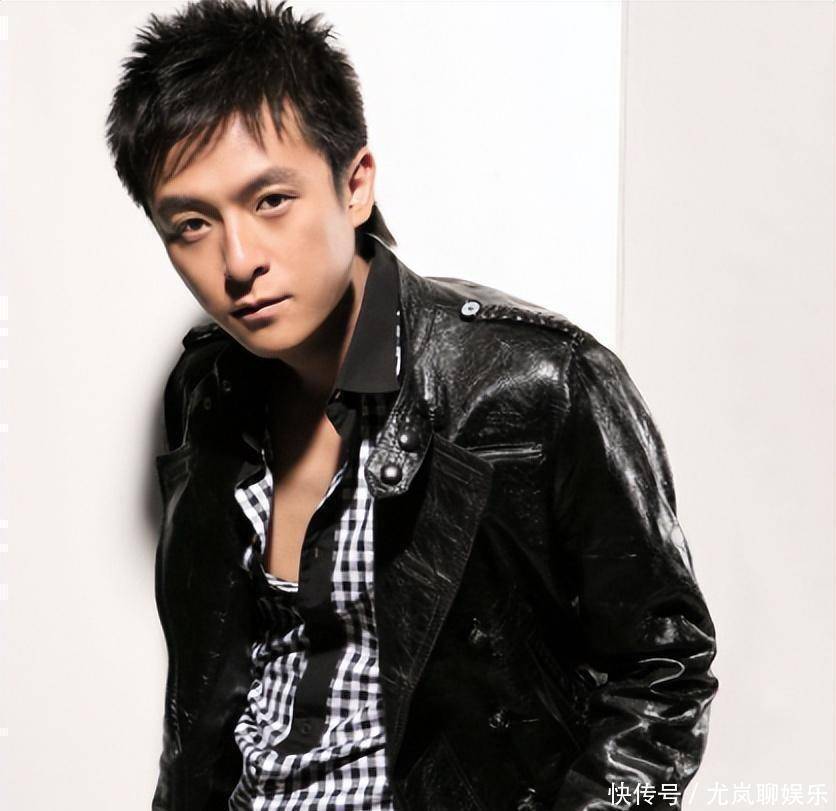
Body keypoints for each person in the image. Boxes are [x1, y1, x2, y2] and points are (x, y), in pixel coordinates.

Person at [105, 1, 719, 809]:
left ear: (355, 185)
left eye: (271, 200)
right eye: (192, 223)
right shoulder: (206, 393)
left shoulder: (537, 384)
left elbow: (666, 675)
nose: (239, 260)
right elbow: (207, 697)